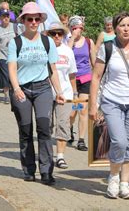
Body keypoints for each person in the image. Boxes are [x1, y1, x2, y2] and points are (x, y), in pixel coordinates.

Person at [88, 11, 129, 199]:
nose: (126, 29)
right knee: (119, 140)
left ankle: (125, 184)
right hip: (112, 101)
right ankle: (114, 176)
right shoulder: (107, 48)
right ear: (115, 28)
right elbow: (96, 77)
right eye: (122, 25)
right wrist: (93, 105)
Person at [7, 2, 64, 185]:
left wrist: (59, 91)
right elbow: (12, 67)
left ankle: (46, 171)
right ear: (23, 20)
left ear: (40, 21)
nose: (33, 22)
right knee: (25, 129)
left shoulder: (47, 42)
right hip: (22, 89)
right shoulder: (15, 42)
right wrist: (16, 89)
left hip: (43, 89)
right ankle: (29, 169)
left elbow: (53, 69)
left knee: (44, 128)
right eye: (29, 19)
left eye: (36, 19)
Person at [47, 22, 78, 169]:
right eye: (53, 34)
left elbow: (72, 75)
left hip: (65, 93)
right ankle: (46, 153)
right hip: (46, 93)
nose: (57, 36)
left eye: (60, 33)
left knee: (63, 124)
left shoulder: (68, 51)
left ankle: (60, 156)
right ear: (49, 35)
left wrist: (75, 94)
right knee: (46, 125)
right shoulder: (44, 50)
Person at [67, 15, 96, 151]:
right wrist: (72, 38)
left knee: (82, 110)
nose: (78, 31)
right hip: (71, 80)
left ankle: (81, 140)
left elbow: (95, 62)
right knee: (72, 112)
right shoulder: (67, 42)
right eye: (75, 28)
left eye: (79, 28)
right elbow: (66, 55)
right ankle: (70, 129)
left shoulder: (89, 42)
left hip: (85, 78)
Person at [0, 9, 17, 103]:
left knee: (14, 75)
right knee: (6, 76)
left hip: (14, 56)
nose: (6, 18)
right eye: (4, 16)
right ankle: (7, 95)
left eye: (7, 16)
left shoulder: (15, 27)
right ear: (0, 18)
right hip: (2, 56)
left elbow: (21, 39)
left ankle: (14, 93)